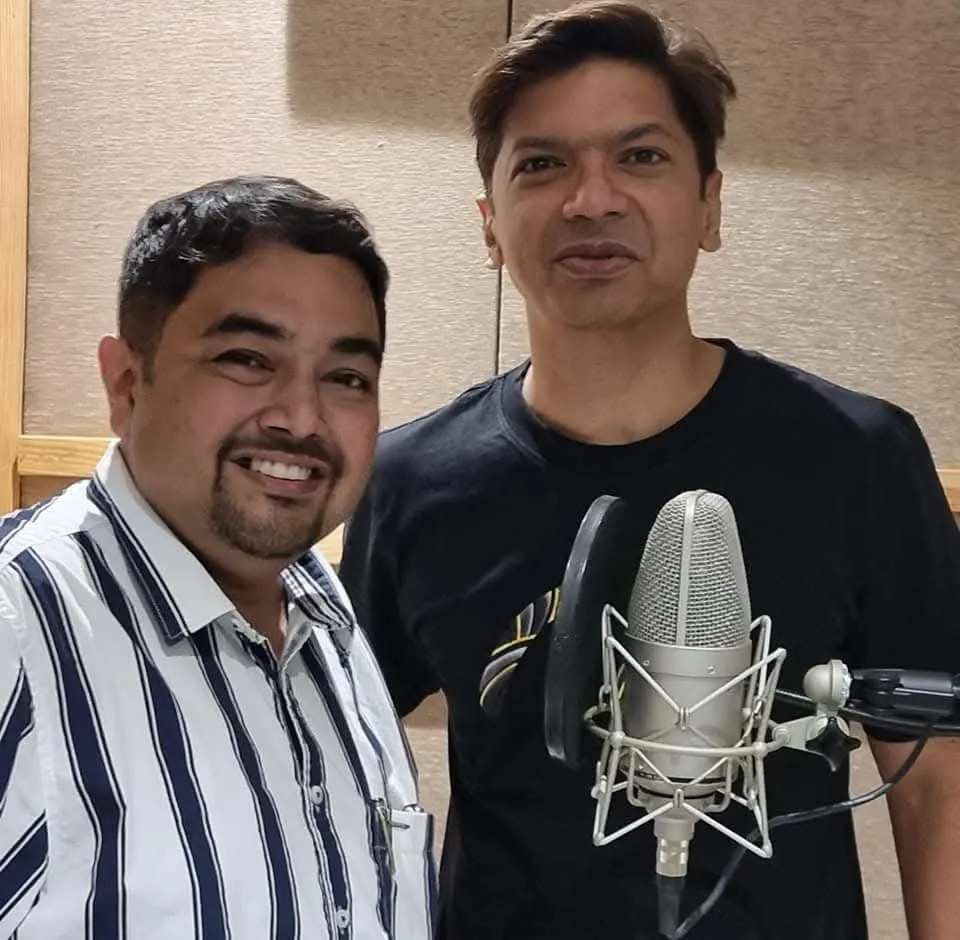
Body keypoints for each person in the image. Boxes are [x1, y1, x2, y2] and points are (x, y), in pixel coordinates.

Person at [338, 3, 960, 939]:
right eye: (542, 165)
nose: (591, 199)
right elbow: (341, 764)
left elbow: (937, 783)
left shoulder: (858, 457)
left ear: (710, 206)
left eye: (640, 156)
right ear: (490, 226)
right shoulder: (409, 482)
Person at [0, 176, 437, 939]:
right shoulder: (18, 630)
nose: (302, 418)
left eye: (346, 378)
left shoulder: (326, 618)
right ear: (127, 382)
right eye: (246, 359)